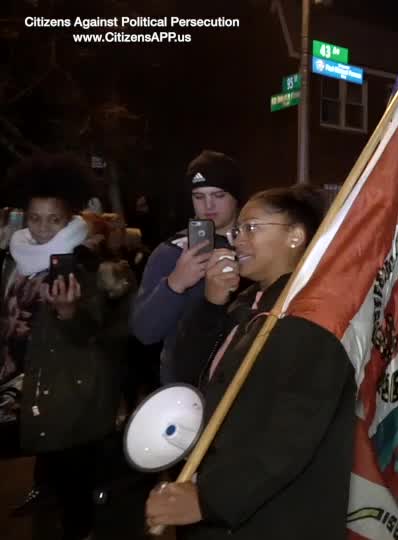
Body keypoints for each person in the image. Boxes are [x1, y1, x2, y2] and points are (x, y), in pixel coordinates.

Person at [145, 186, 356, 539]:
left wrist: (209, 499)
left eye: (251, 228)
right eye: (237, 231)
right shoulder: (251, 303)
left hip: (270, 518)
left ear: (295, 236)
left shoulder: (312, 315)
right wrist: (212, 304)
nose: (237, 240)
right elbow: (188, 371)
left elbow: (290, 437)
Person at [1, 153, 125, 539]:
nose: (42, 229)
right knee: (47, 452)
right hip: (26, 381)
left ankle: (80, 527)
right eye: (35, 218)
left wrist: (70, 313)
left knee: (73, 473)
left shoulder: (87, 264)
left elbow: (100, 331)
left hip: (74, 391)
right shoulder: (14, 258)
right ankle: (45, 492)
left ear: (69, 219)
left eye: (53, 220)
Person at [130, 150, 244, 385]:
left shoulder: (254, 248)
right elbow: (144, 332)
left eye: (219, 195)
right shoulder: (171, 252)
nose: (208, 205)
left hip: (242, 384)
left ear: (236, 197)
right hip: (186, 389)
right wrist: (175, 283)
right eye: (199, 197)